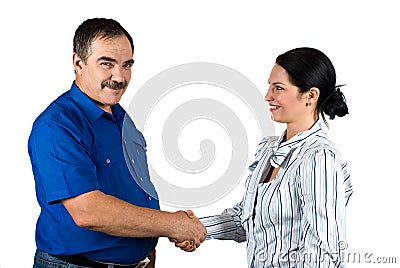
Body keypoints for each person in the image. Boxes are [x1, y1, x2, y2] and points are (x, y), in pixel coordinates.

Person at [28, 18, 206, 268]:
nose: (119, 77)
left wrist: (148, 253)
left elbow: (136, 194)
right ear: (79, 63)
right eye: (106, 64)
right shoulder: (57, 126)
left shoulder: (121, 118)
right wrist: (173, 225)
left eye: (127, 65)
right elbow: (88, 211)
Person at [174, 47, 353, 267]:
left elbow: (325, 254)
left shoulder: (319, 158)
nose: (268, 96)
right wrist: (194, 227)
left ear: (311, 95)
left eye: (278, 88)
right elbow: (244, 219)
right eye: (269, 86)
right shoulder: (268, 149)